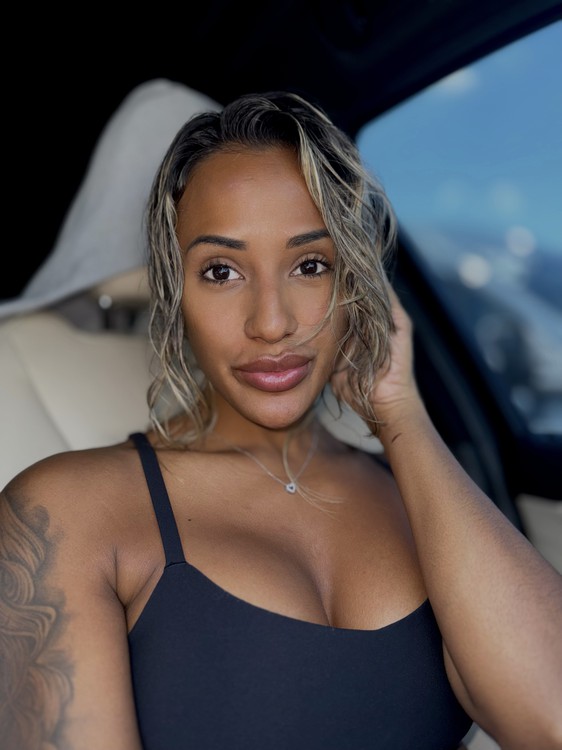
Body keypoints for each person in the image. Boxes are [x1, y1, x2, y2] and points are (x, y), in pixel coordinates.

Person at [1, 91, 560, 750]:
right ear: (175, 293)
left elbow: (549, 721)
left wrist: (401, 415)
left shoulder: (422, 494)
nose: (272, 322)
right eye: (221, 271)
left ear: (355, 284)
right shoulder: (63, 511)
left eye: (310, 265)